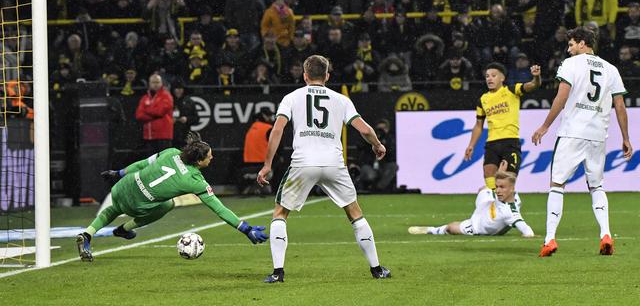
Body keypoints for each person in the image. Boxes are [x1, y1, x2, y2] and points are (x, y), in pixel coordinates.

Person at [256, 55, 391, 282]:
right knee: (355, 214)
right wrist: (377, 145)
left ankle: (278, 273)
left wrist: (267, 164)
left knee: (280, 213)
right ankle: (377, 269)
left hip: (303, 162)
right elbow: (365, 129)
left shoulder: (291, 98)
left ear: (305, 75)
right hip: (333, 163)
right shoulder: (341, 99)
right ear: (327, 76)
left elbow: (277, 130)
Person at [76, 132, 268, 262]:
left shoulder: (171, 152)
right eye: (210, 156)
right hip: (136, 206)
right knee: (167, 204)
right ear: (199, 161)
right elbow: (220, 209)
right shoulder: (196, 181)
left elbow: (142, 164)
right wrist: (246, 229)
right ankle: (125, 228)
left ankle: (87, 235)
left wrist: (118, 173)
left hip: (121, 187)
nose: (212, 158)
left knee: (113, 208)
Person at [532, 26, 633, 257]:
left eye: (570, 45)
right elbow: (620, 105)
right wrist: (626, 137)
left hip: (572, 133)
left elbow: (562, 95)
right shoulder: (611, 69)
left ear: (582, 43)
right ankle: (606, 234)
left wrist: (545, 125)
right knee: (597, 186)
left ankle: (549, 240)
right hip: (598, 135)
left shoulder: (571, 64)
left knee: (557, 185)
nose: (568, 50)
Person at [464, 62, 541, 192]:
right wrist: (471, 145)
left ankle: (512, 210)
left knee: (507, 183)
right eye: (487, 76)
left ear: (502, 78)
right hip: (492, 144)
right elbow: (478, 125)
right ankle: (495, 211)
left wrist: (536, 77)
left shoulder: (511, 90)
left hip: (510, 142)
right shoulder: (483, 100)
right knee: (489, 182)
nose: (489, 78)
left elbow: (533, 85)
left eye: (493, 75)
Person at [409, 161, 534, 237]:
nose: (498, 190)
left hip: (479, 225)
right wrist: (501, 172)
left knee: (451, 228)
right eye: (497, 187)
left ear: (512, 188)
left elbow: (526, 230)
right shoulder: (508, 194)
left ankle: (431, 230)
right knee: (483, 189)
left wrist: (528, 235)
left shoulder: (510, 213)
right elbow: (502, 188)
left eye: (502, 187)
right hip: (488, 204)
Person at [135, 74, 174, 155]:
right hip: (149, 136)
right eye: (153, 82)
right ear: (149, 83)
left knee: (163, 162)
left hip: (163, 136)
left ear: (161, 83)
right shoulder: (145, 97)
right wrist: (153, 111)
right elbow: (139, 115)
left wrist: (146, 109)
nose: (155, 84)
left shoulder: (166, 96)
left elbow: (159, 112)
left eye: (157, 82)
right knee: (151, 163)